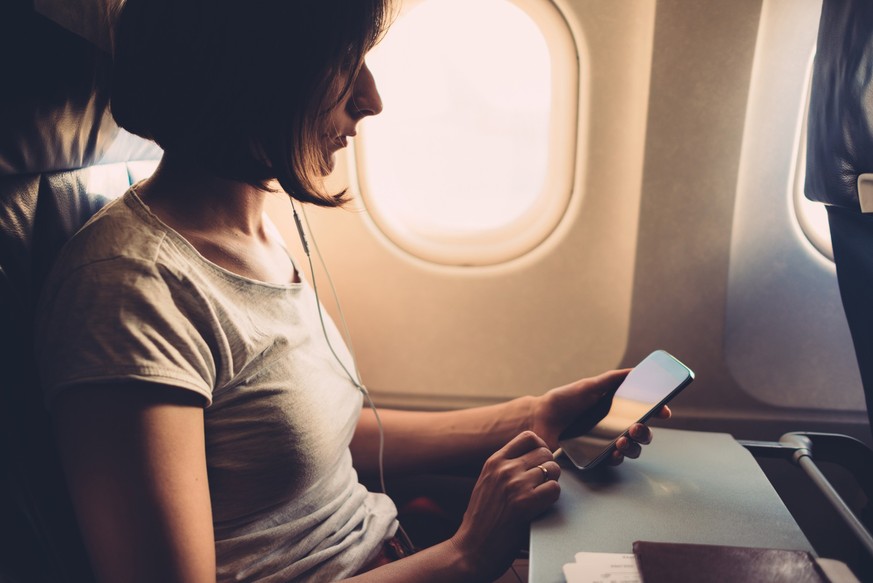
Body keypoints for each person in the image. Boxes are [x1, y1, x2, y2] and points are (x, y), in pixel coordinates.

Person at [35, 0, 670, 581]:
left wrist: (536, 416)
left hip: (397, 554)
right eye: (343, 64)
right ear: (249, 75)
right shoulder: (130, 291)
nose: (371, 98)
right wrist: (468, 553)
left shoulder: (255, 232)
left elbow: (304, 440)